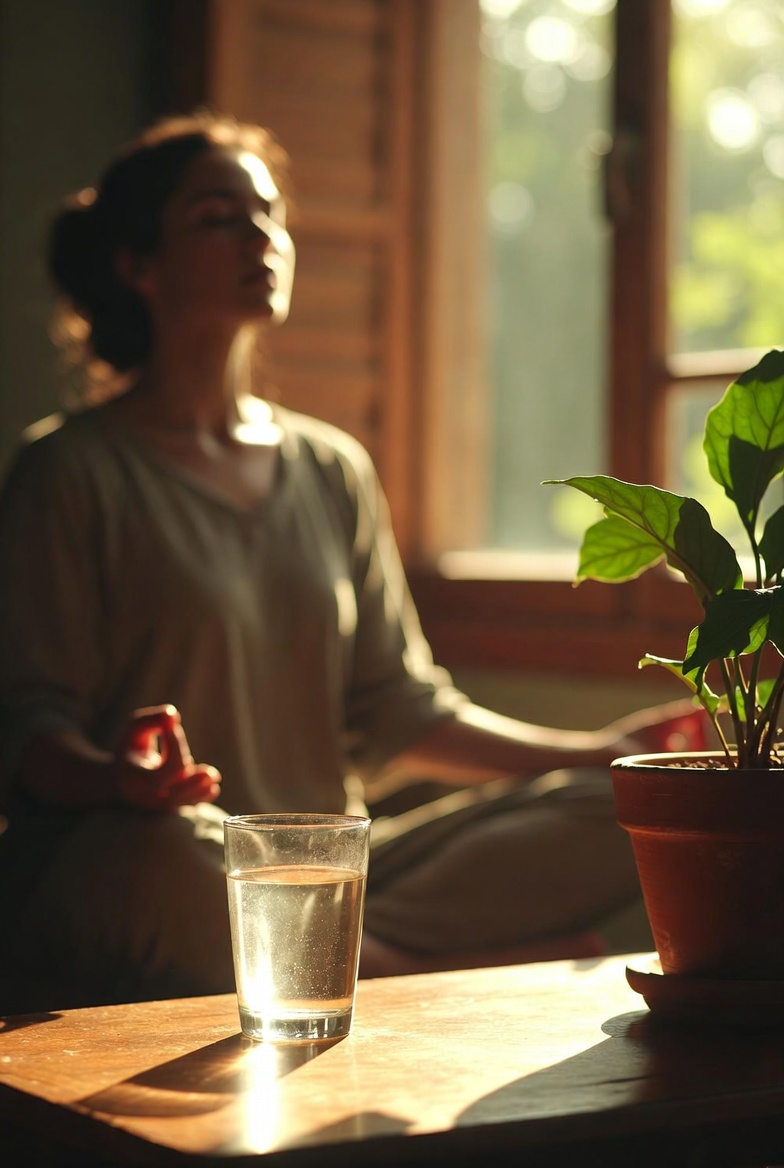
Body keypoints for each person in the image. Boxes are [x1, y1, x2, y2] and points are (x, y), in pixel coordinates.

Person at [0, 111, 701, 1008]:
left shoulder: (332, 468)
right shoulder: (66, 470)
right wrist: (119, 780)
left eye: (270, 214)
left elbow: (399, 708)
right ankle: (414, 975)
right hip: (148, 865)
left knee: (623, 806)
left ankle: (347, 962)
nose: (264, 234)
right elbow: (25, 728)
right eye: (222, 216)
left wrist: (598, 750)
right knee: (171, 846)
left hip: (325, 868)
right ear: (138, 266)